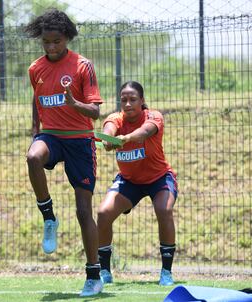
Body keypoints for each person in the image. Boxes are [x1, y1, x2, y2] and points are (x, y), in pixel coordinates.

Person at [25, 9, 103, 297]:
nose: (51, 47)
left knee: (84, 211)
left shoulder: (83, 66)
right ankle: (48, 216)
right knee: (33, 156)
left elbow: (95, 112)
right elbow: (36, 99)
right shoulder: (36, 68)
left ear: (66, 38)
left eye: (56, 41)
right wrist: (35, 131)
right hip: (52, 136)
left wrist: (74, 104)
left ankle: (94, 275)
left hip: (80, 141)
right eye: (46, 42)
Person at [97, 81, 178, 286]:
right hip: (129, 181)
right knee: (103, 213)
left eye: (133, 99)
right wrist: (108, 138)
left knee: (163, 209)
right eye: (123, 99)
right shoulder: (116, 118)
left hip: (159, 179)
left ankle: (166, 273)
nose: (127, 103)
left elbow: (145, 132)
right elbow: (108, 128)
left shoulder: (154, 116)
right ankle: (104, 271)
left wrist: (126, 138)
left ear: (142, 101)